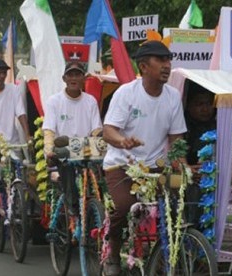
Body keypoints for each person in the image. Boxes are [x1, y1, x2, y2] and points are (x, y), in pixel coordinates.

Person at [101, 41, 187, 276]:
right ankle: (112, 255)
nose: (167, 66)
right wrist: (122, 141)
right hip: (122, 165)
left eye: (168, 60)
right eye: (160, 61)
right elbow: (108, 131)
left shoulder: (172, 96)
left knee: (176, 204)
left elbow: (176, 138)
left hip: (156, 168)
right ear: (143, 66)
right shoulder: (126, 93)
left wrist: (182, 164)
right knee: (126, 207)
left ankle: (161, 256)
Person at [42, 61, 102, 156]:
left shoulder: (91, 101)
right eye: (70, 75)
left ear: (84, 78)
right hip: (62, 153)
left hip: (86, 153)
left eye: (77, 75)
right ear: (64, 78)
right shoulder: (53, 101)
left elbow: (96, 130)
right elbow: (49, 132)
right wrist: (49, 152)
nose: (74, 78)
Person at [184, 84, 216, 226]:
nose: (205, 109)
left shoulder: (220, 124)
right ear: (188, 106)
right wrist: (189, 169)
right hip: (193, 181)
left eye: (209, 104)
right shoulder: (182, 128)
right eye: (199, 104)